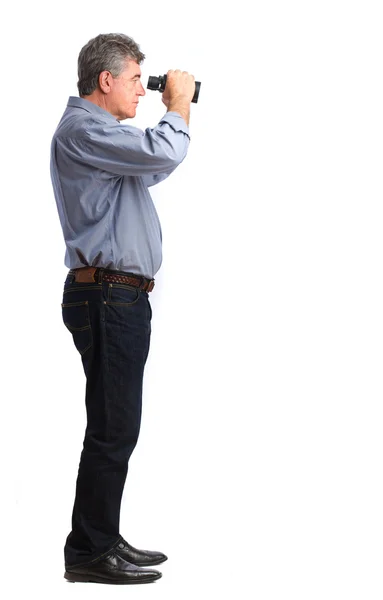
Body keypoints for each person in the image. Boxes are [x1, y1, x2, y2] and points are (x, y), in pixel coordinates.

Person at [50, 32, 195, 585]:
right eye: (136, 78)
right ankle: (89, 551)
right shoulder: (83, 129)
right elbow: (165, 150)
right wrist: (177, 106)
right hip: (107, 295)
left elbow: (156, 166)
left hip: (118, 295)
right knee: (113, 429)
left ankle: (101, 537)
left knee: (117, 425)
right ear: (105, 80)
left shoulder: (100, 135)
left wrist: (172, 119)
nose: (142, 89)